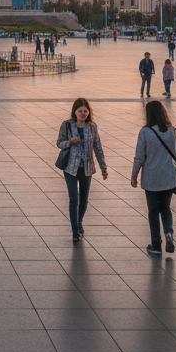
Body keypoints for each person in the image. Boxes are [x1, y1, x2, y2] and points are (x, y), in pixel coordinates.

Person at [131, 101, 176, 256]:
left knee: (153, 211)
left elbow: (139, 156)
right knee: (165, 208)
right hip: (168, 177)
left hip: (151, 178)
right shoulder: (172, 130)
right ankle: (168, 233)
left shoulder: (145, 132)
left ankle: (156, 244)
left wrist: (134, 176)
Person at [55, 97, 108, 243]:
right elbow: (59, 142)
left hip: (87, 168)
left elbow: (97, 147)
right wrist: (69, 142)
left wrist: (103, 167)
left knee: (84, 199)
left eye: (85, 111)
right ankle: (75, 230)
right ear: (75, 112)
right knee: (74, 198)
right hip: (70, 168)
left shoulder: (92, 126)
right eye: (80, 111)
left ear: (89, 112)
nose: (83, 114)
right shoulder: (67, 125)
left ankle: (79, 222)